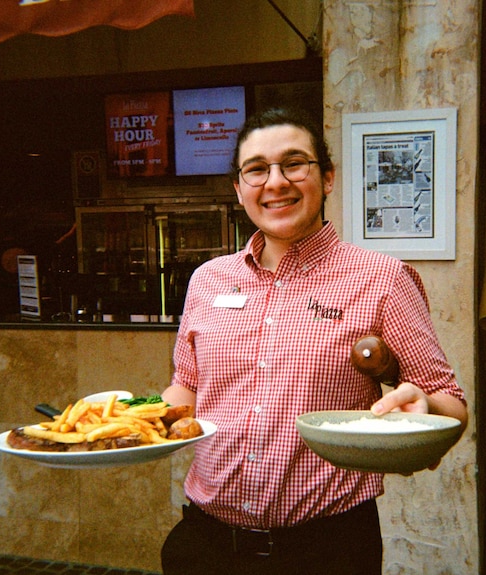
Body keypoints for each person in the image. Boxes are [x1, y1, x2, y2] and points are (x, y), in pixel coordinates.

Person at [160, 107, 467, 575]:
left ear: (326, 178)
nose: (276, 181)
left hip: (326, 551)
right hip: (206, 544)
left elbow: (453, 403)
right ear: (238, 189)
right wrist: (135, 424)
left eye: (294, 163)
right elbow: (187, 387)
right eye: (256, 169)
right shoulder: (207, 279)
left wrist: (422, 416)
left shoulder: (381, 279)